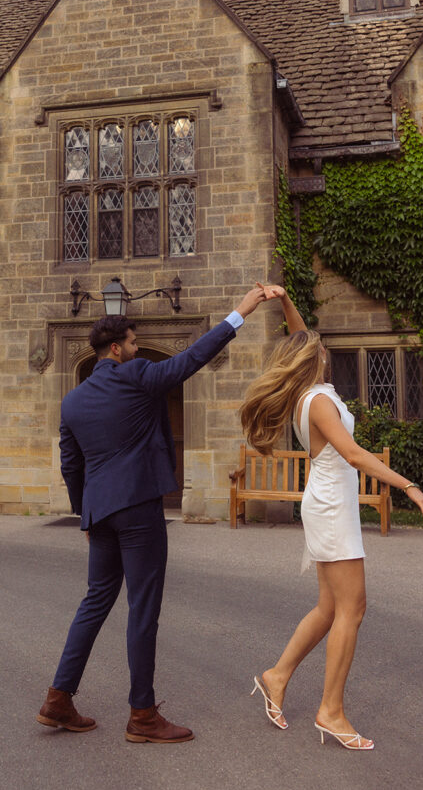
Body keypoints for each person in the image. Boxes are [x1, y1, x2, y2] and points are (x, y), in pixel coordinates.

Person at [37, 286, 268, 743]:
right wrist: (241, 312)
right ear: (117, 348)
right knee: (143, 609)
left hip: (100, 511)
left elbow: (71, 464)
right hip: (140, 508)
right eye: (135, 342)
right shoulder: (137, 374)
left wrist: (86, 514)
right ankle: (142, 715)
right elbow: (192, 358)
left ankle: (58, 700)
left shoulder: (73, 401)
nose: (138, 348)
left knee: (94, 603)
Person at [240, 285, 423, 750]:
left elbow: (299, 333)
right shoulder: (320, 403)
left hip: (328, 503)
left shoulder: (313, 390)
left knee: (331, 608)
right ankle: (330, 711)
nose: (322, 345)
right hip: (331, 507)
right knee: (353, 608)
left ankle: (276, 675)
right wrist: (409, 486)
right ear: (312, 359)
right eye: (318, 346)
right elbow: (353, 454)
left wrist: (284, 299)